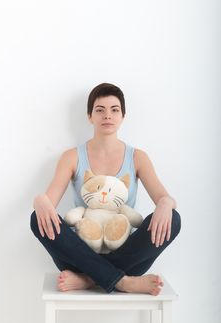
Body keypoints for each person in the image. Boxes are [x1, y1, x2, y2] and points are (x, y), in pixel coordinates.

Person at [30, 82, 181, 295]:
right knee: (37, 218)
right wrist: (39, 201)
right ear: (89, 116)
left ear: (123, 116)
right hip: (79, 256)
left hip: (128, 257)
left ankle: (90, 279)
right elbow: (48, 202)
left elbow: (164, 197)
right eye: (100, 110)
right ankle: (122, 282)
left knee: (173, 219)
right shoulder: (72, 157)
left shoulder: (138, 157)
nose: (107, 115)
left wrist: (166, 202)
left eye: (114, 110)